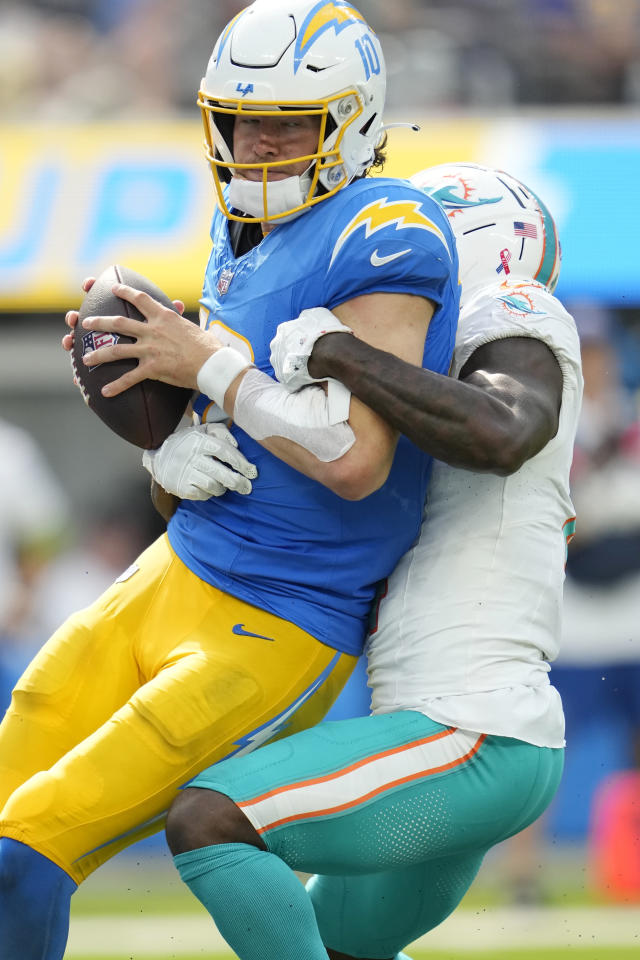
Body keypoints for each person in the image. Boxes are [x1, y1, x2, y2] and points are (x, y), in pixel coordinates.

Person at [0, 3, 459, 959]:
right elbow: (239, 404)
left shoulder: (386, 230)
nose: (257, 147)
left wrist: (205, 367)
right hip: (174, 571)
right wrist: (160, 446)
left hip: (278, 616)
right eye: (243, 121)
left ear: (354, 122)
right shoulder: (237, 226)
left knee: (28, 851)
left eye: (290, 123)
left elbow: (355, 458)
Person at [161, 162, 584, 960]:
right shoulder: (410, 389)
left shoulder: (510, 309)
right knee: (338, 946)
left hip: (471, 733)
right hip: (442, 740)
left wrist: (343, 352)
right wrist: (170, 459)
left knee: (211, 818)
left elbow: (500, 432)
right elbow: (314, 478)